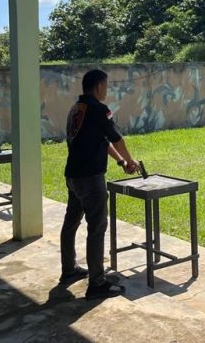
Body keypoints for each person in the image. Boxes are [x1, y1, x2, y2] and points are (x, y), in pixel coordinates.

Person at [59, 69, 141, 300]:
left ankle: (68, 269)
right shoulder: (98, 109)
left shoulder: (77, 108)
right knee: (97, 227)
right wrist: (131, 160)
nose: (107, 90)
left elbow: (102, 141)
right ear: (97, 87)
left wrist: (121, 161)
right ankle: (97, 283)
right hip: (90, 177)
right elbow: (116, 138)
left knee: (70, 223)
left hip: (73, 175)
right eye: (106, 85)